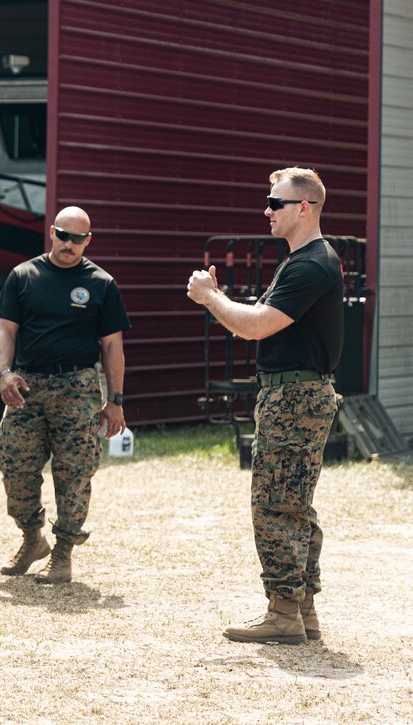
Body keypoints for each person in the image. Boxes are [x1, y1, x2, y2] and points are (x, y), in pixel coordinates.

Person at [187, 167, 342, 645]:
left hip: (293, 397)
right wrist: (225, 301)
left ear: (304, 207)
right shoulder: (302, 261)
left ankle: (283, 612)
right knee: (294, 503)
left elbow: (254, 327)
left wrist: (212, 298)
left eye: (275, 203)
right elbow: (259, 317)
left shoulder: (311, 264)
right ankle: (303, 607)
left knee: (275, 504)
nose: (266, 210)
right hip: (295, 394)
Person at [0, 206, 130, 584]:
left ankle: (63, 553)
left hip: (78, 387)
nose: (68, 244)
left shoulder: (101, 283)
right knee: (15, 466)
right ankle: (32, 538)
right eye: (62, 235)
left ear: (88, 240)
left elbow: (112, 347)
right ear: (52, 233)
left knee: (75, 472)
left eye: (77, 238)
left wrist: (115, 400)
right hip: (27, 386)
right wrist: (5, 374)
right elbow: (6, 331)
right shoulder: (24, 276)